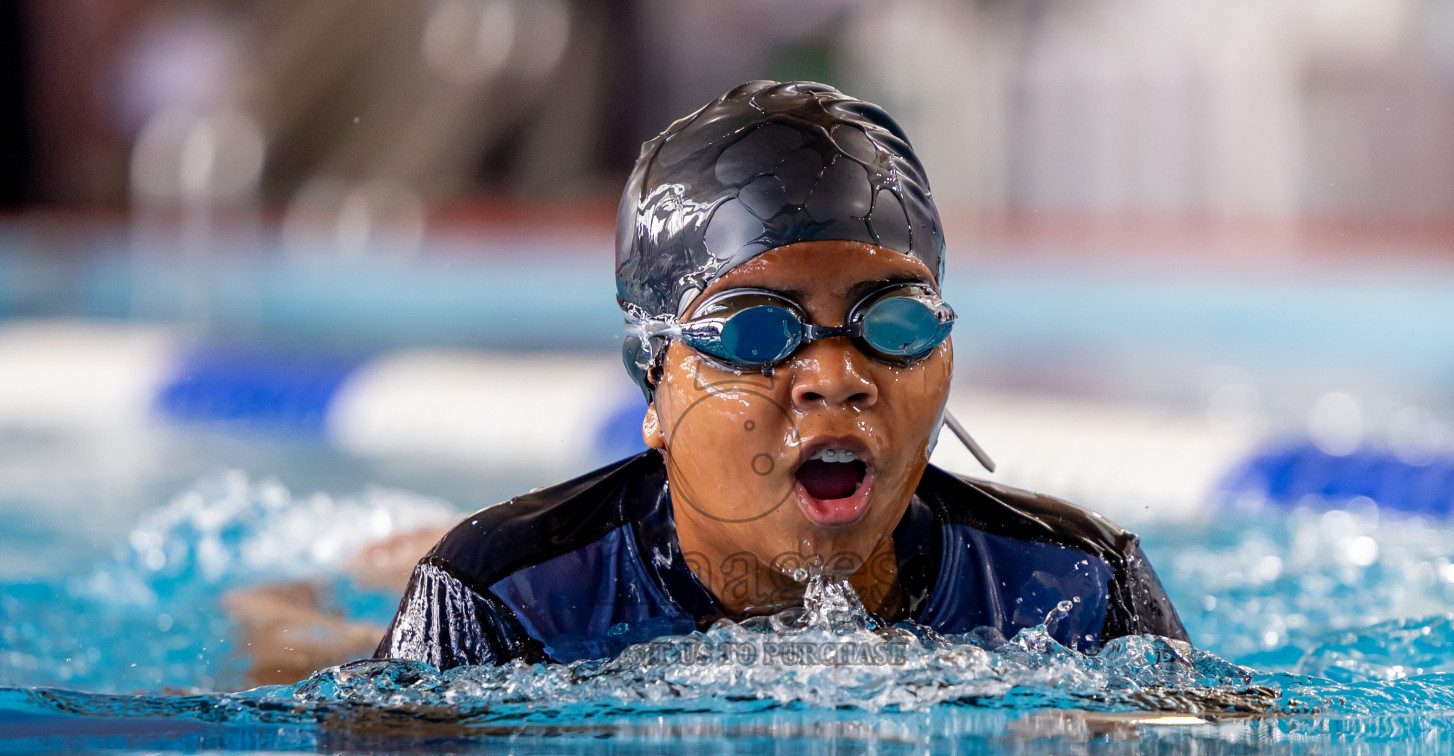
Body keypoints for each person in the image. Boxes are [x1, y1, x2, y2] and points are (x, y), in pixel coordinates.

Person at [376, 80, 1187, 670]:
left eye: (893, 322)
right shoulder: (502, 599)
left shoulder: (1077, 587)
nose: (835, 378)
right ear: (653, 381)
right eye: (759, 330)